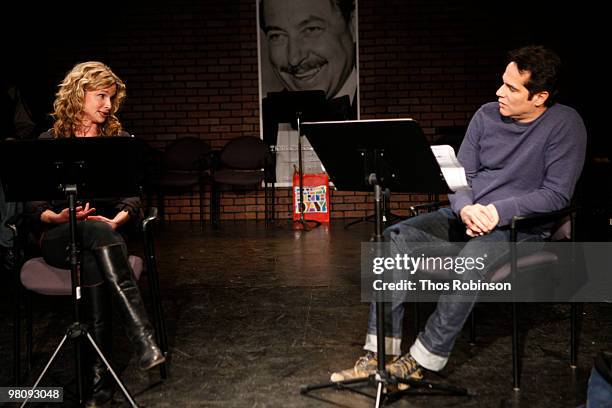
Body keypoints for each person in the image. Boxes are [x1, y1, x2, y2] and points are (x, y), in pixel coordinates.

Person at [331, 45, 587, 385]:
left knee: (471, 262)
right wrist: (465, 208)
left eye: (512, 88)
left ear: (539, 97)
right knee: (392, 239)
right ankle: (380, 353)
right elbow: (460, 176)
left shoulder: (565, 124)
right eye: (502, 82)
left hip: (520, 227)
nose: (500, 92)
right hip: (468, 215)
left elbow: (556, 193)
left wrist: (496, 212)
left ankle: (422, 360)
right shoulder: (485, 115)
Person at [24, 61, 165, 408]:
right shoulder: (49, 141)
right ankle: (141, 337)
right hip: (58, 236)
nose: (108, 105)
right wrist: (56, 216)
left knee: (93, 259)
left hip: (101, 240)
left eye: (111, 98)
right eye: (101, 96)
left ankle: (97, 385)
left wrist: (116, 219)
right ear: (78, 94)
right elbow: (31, 203)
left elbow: (132, 195)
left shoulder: (115, 141)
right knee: (94, 232)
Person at [259, 0, 358, 146]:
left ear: (353, 25)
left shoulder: (379, 105)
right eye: (277, 36)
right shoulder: (265, 119)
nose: (294, 58)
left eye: (311, 29)